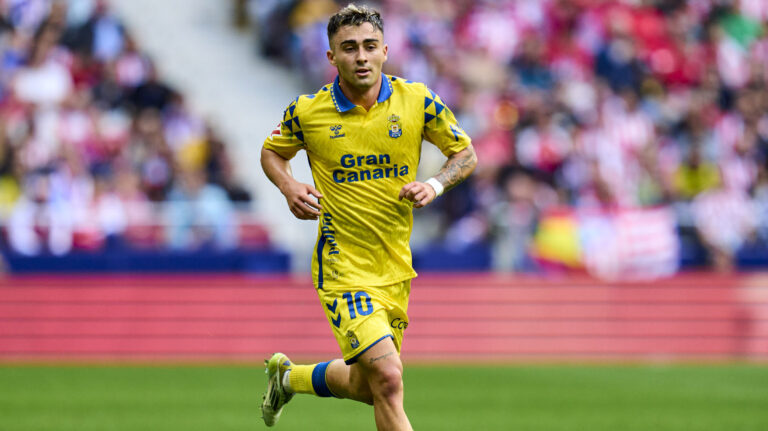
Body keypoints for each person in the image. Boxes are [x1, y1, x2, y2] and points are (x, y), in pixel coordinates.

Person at [259, 4, 477, 430]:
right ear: (331, 57)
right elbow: (272, 152)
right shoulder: (308, 111)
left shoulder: (417, 101)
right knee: (390, 379)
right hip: (343, 267)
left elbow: (465, 153)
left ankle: (288, 378)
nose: (361, 56)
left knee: (370, 385)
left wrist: (433, 185)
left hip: (395, 267)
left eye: (370, 46)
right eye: (350, 47)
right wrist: (289, 186)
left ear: (385, 51)